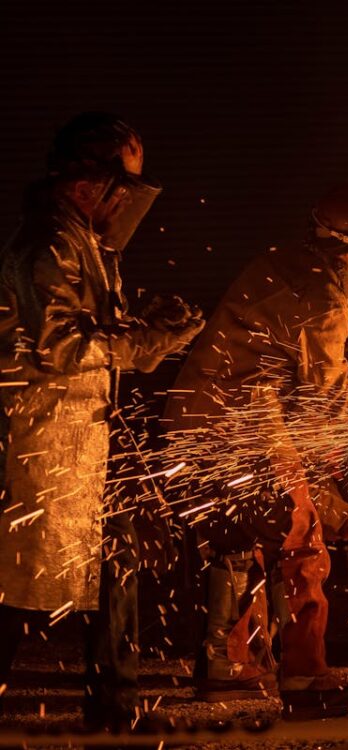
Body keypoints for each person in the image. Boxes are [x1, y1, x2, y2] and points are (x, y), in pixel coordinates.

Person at [163, 185, 348, 719]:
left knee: (242, 539)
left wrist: (344, 510)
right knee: (300, 544)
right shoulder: (324, 296)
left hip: (205, 420)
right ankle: (308, 679)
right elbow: (325, 402)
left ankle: (231, 669)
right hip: (240, 424)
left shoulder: (280, 263)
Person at [0, 112, 204, 726]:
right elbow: (62, 346)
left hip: (87, 442)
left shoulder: (85, 242)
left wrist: (148, 321)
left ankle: (116, 711)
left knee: (117, 563)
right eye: (125, 186)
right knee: (20, 590)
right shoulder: (51, 243)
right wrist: (148, 343)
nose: (128, 202)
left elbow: (96, 328)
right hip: (45, 445)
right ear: (95, 182)